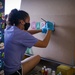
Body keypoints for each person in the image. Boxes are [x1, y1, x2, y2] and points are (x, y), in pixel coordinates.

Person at [4, 9, 54, 75]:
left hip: (4, 70)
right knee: (37, 57)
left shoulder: (9, 29)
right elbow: (44, 44)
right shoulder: (21, 34)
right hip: (12, 72)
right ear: (22, 22)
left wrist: (41, 30)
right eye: (28, 21)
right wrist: (49, 30)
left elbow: (26, 33)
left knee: (27, 60)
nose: (29, 23)